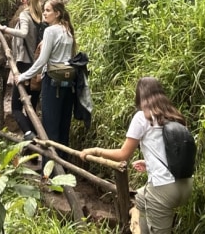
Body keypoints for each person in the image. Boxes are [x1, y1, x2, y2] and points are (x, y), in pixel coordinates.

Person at [80, 77, 194, 234]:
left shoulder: (142, 117)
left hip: (163, 189)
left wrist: (95, 151)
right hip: (186, 185)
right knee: (140, 200)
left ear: (140, 97)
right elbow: (175, 155)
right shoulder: (175, 116)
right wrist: (149, 164)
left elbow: (122, 155)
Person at [13, 0, 77, 148]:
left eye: (48, 10)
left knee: (50, 129)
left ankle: (49, 170)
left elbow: (42, 61)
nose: (45, 13)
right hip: (68, 82)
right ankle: (64, 168)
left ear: (57, 13)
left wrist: (23, 76)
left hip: (52, 81)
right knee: (63, 129)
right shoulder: (67, 29)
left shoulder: (50, 31)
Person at [0, 0, 44, 137]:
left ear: (25, 0)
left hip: (24, 65)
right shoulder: (40, 17)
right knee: (31, 108)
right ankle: (35, 144)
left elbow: (23, 33)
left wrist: (3, 28)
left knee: (16, 108)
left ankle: (29, 134)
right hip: (37, 67)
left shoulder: (25, 15)